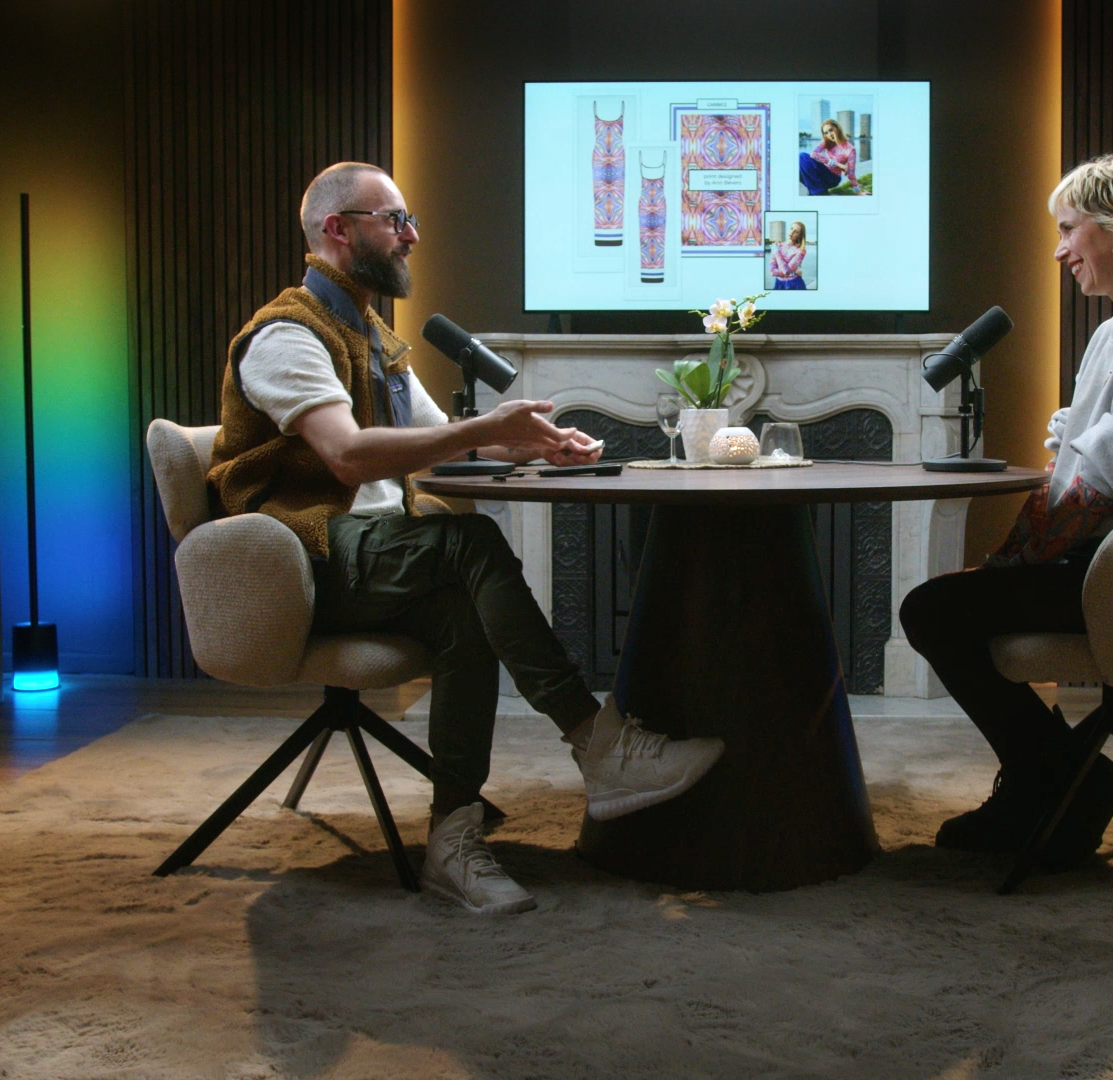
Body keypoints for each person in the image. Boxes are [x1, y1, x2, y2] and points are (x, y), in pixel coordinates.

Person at [208, 162, 725, 914]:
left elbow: (444, 440)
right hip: (305, 557)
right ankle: (598, 743)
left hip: (376, 552)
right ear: (337, 229)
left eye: (410, 220)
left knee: (464, 613)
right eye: (395, 220)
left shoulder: (372, 338)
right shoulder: (285, 336)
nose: (411, 236)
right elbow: (347, 455)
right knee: (469, 542)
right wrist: (486, 429)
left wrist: (532, 445)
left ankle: (452, 839)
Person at [898, 151, 1113, 868]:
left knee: (933, 612)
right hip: (1101, 557)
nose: (1059, 251)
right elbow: (1095, 458)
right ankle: (1065, 780)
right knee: (938, 609)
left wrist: (1073, 452)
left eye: (1068, 229)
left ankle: (1054, 784)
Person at [799, 119, 859, 195]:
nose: (829, 134)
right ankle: (817, 191)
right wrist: (838, 164)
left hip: (833, 178)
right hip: (823, 171)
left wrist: (858, 192)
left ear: (837, 128)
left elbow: (851, 174)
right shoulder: (827, 141)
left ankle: (818, 192)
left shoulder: (850, 149)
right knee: (800, 161)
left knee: (802, 156)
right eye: (826, 133)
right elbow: (813, 154)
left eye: (831, 130)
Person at [769, 221, 808, 289]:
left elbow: (786, 271)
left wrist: (776, 251)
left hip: (795, 285)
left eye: (796, 232)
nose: (792, 232)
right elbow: (772, 272)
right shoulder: (778, 245)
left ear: (799, 235)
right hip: (779, 284)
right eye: (791, 228)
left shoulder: (801, 251)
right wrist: (793, 273)